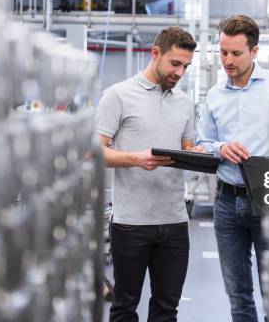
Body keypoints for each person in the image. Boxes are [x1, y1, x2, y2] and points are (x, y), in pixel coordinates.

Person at [197, 15, 269, 322]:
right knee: (238, 295)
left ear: (254, 52)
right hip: (227, 203)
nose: (227, 60)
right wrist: (220, 148)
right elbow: (203, 142)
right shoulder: (214, 96)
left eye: (236, 53)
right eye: (223, 52)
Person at [95, 26, 200, 322]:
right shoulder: (117, 95)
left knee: (167, 309)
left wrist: (199, 154)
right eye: (175, 63)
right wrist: (135, 158)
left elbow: (188, 148)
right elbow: (95, 151)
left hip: (175, 222)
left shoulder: (184, 103)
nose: (180, 73)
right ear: (156, 54)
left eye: (186, 67)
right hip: (131, 224)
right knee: (125, 307)